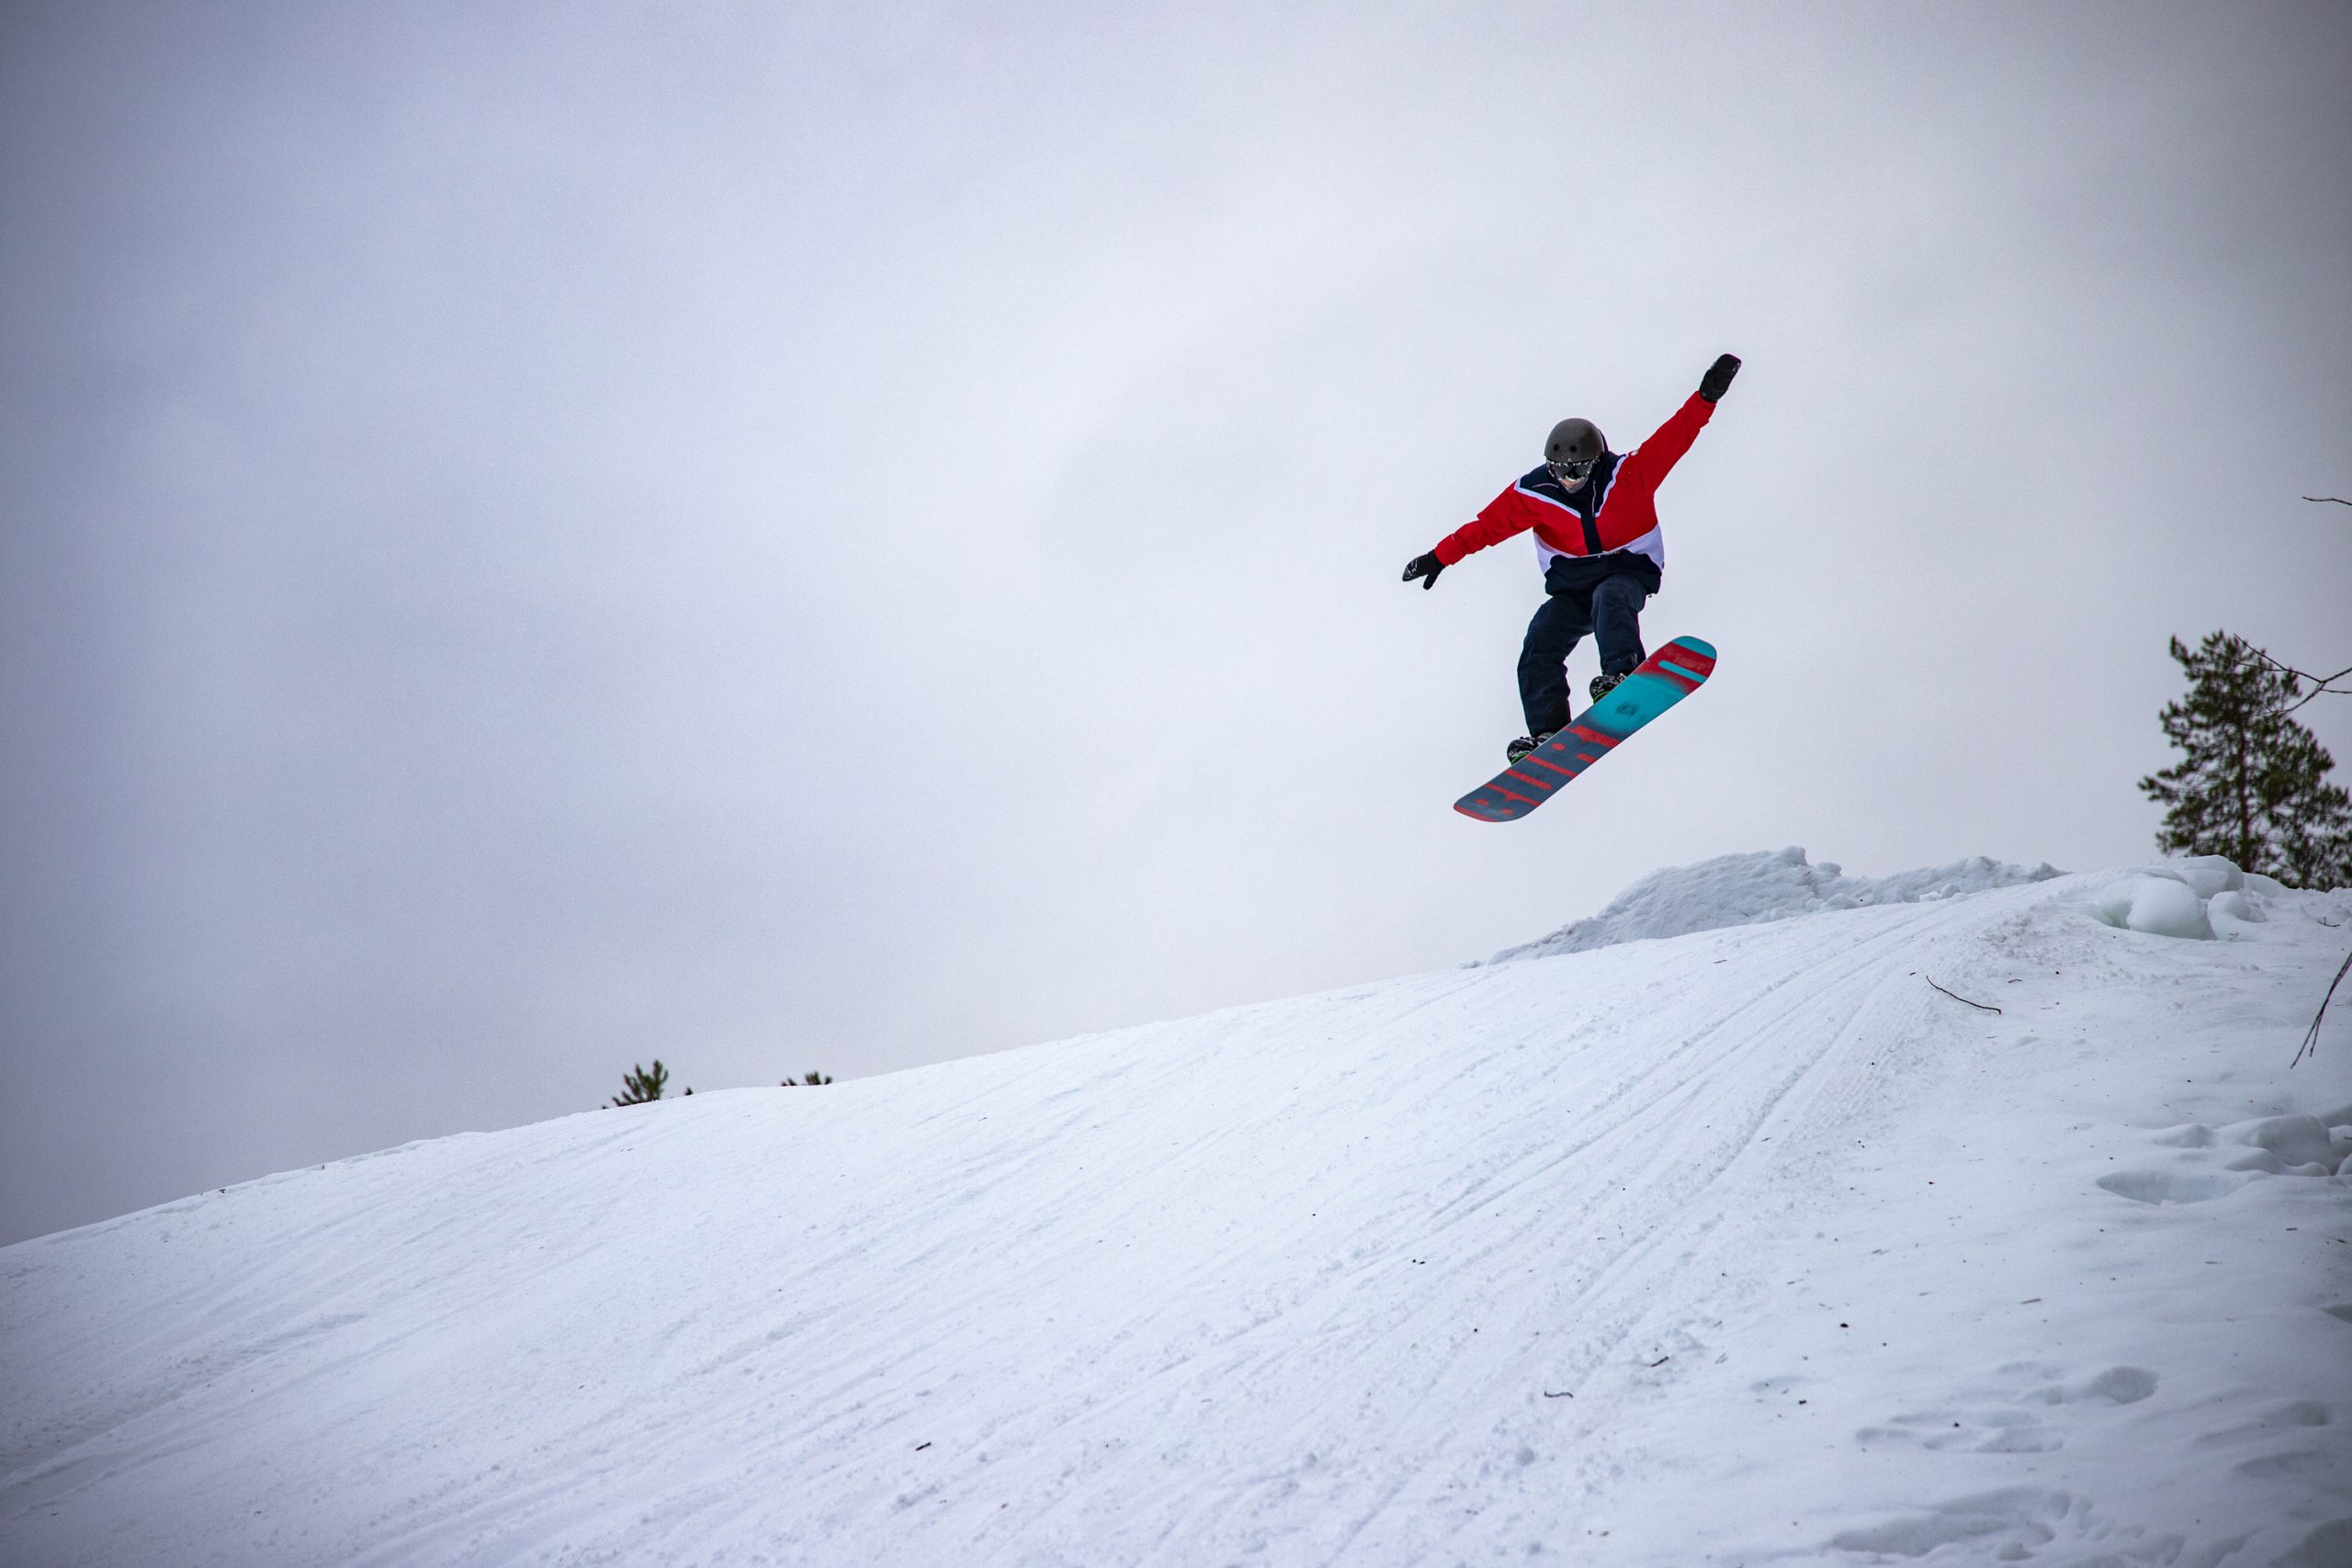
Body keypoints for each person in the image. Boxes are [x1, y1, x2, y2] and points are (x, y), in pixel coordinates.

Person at [1403, 353, 1741, 763]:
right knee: (1541, 639)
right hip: (1573, 587)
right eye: (1560, 471)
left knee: (1612, 598)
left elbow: (1677, 435)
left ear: (1595, 463)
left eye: (1577, 471)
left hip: (1627, 569)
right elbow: (1485, 528)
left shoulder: (1630, 475)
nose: (1568, 480)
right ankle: (1547, 732)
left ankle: (1623, 671)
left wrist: (1708, 395)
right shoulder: (1533, 493)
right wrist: (1439, 557)